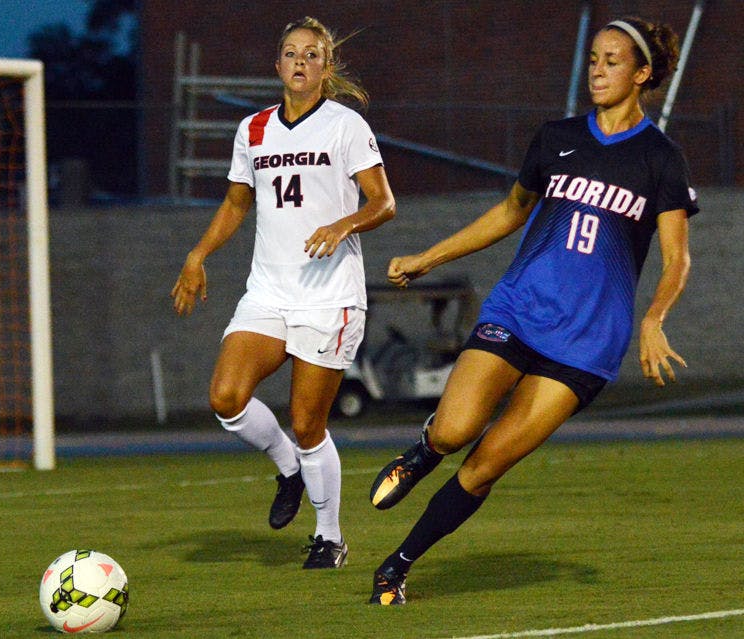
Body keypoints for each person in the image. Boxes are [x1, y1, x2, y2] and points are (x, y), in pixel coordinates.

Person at [366, 16, 696, 604]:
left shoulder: (660, 159)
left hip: (587, 344)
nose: (597, 69)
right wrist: (428, 257)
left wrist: (654, 318)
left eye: (613, 60)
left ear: (643, 74)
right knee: (456, 429)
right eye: (594, 57)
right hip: (520, 310)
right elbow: (510, 212)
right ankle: (424, 449)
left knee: (487, 464)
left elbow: (677, 260)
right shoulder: (556, 137)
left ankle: (397, 564)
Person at [171, 16, 395, 568]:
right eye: (291, 53)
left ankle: (329, 536)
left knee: (307, 422)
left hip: (329, 295)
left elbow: (383, 202)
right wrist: (197, 256)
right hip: (268, 290)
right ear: (277, 66)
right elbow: (235, 204)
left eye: (311, 54)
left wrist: (344, 224)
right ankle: (288, 468)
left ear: (325, 67)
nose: (300, 61)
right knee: (226, 397)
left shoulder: (346, 126)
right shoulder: (252, 129)